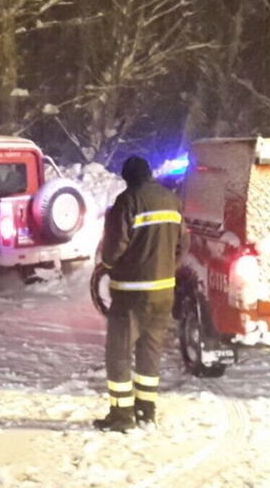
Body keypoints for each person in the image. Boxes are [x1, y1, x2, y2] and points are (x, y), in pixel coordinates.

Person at [93, 156, 187, 431]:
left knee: (118, 353)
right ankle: (146, 411)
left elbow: (113, 249)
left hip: (131, 294)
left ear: (129, 178)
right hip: (164, 293)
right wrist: (168, 269)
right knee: (150, 350)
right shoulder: (172, 200)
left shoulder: (127, 201)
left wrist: (107, 266)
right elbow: (184, 244)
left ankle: (122, 416)